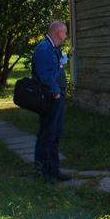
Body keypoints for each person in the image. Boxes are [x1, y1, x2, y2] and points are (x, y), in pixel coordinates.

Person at [32, 21, 70, 183]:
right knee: (47, 134)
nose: (66, 36)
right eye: (64, 33)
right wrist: (55, 91)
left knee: (55, 134)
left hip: (58, 96)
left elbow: (55, 69)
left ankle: (54, 170)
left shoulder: (53, 48)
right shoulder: (44, 49)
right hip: (50, 97)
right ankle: (42, 172)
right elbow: (45, 75)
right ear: (58, 33)